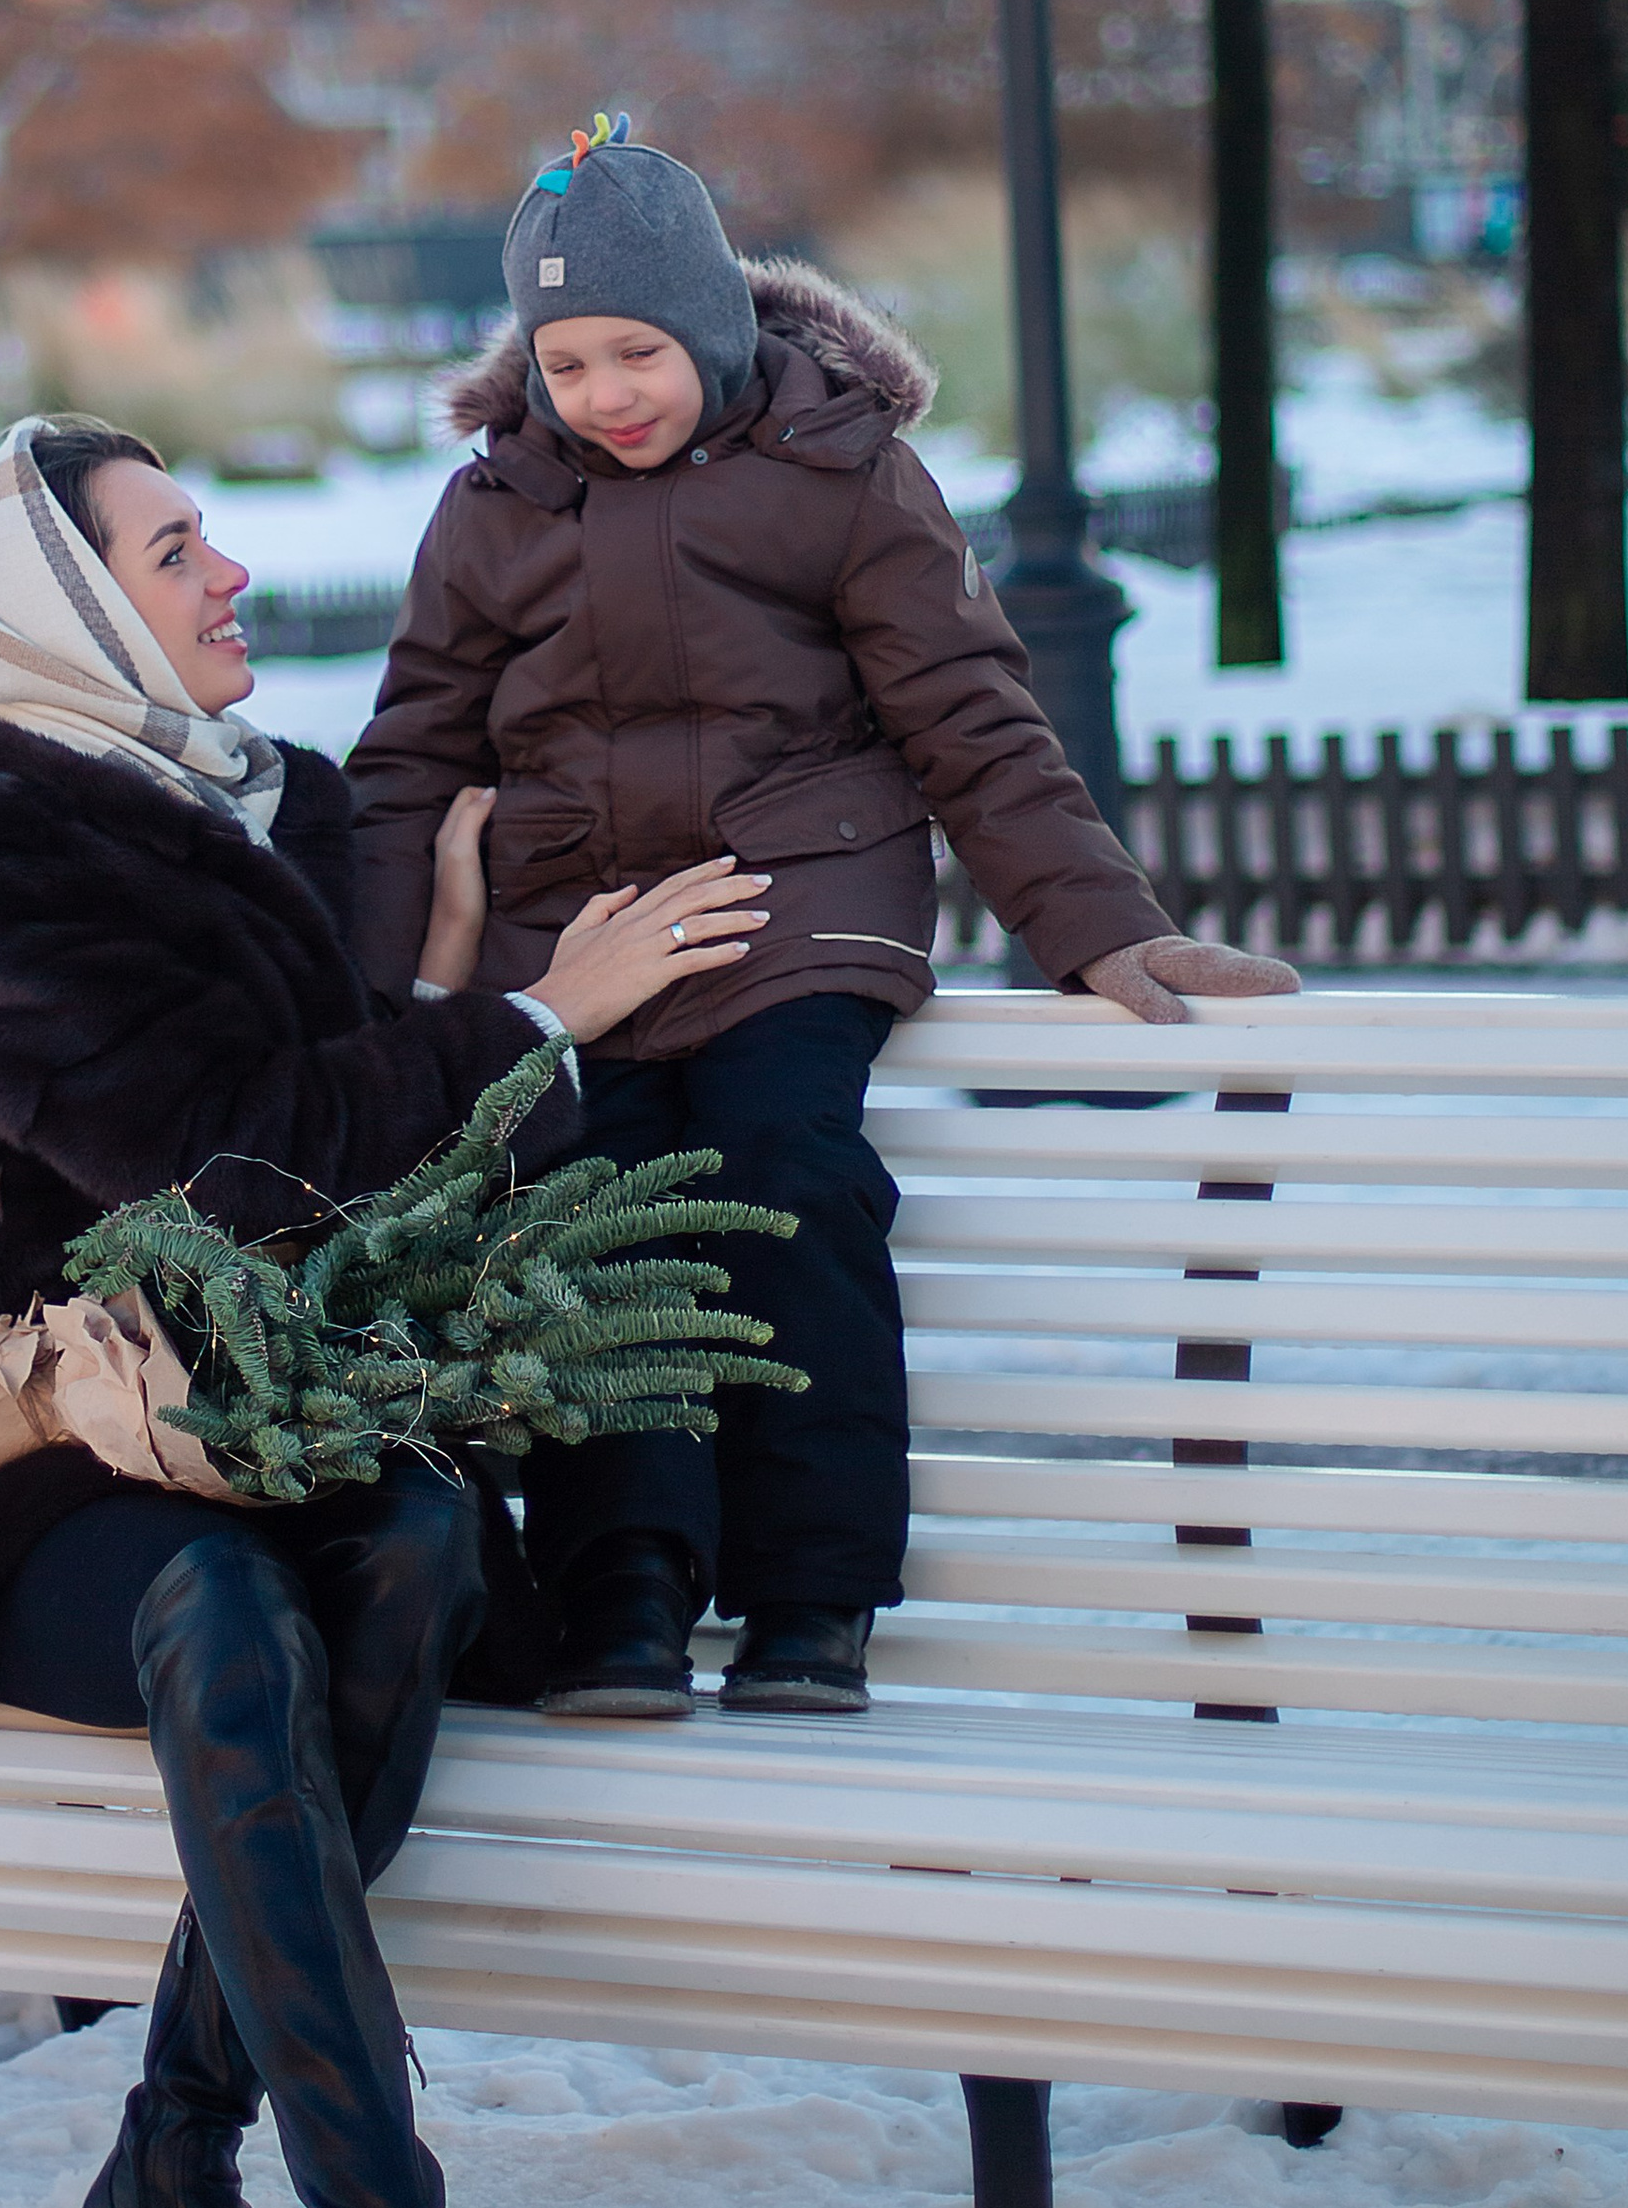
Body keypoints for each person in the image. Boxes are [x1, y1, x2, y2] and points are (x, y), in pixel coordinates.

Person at [0, 411, 762, 2208]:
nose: (227, 578)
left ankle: (166, 2181)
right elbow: (222, 1161)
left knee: (418, 1542)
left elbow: (359, 1150)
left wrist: (430, 977)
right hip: (50, 1481)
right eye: (174, 555)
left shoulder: (285, 813)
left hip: (280, 1433)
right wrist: (534, 1025)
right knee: (229, 1612)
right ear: (68, 609)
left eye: (209, 543)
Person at [346, 119, 1298, 1721]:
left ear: (712, 330)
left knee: (790, 1180)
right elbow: (409, 758)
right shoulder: (492, 508)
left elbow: (969, 719)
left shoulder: (841, 472)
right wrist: (357, 990)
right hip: (583, 939)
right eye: (567, 363)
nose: (605, 395)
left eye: (636, 351)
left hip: (798, 906)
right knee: (593, 1213)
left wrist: (1097, 927)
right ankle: (626, 1589)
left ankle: (814, 1588)